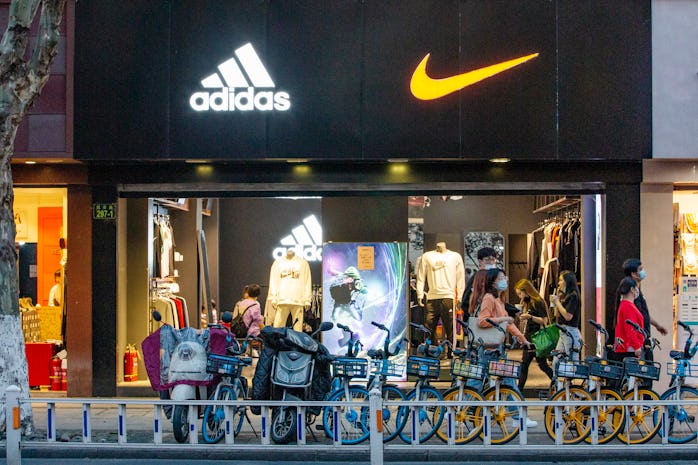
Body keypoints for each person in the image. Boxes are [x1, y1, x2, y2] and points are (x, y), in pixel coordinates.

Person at [469, 268, 537, 428]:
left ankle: (517, 417)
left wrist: (523, 339)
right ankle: (454, 409)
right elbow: (483, 321)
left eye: (504, 277)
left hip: (496, 349)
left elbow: (509, 325)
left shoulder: (498, 300)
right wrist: (504, 318)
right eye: (501, 277)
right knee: (498, 382)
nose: (505, 279)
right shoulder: (489, 298)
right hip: (489, 350)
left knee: (504, 382)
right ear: (493, 282)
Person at [416, 242, 465, 354]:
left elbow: (460, 277)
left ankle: (451, 352)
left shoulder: (455, 256)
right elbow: (421, 276)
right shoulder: (427, 256)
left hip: (448, 296)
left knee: (450, 327)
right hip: (432, 296)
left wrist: (460, 297)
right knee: (429, 326)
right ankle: (431, 351)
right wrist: (420, 294)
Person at [622, 258, 667, 361]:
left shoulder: (637, 292)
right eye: (640, 269)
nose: (643, 271)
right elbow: (630, 319)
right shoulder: (632, 293)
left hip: (642, 337)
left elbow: (642, 314)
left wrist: (657, 325)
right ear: (634, 274)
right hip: (638, 339)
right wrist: (636, 344)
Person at [514, 279, 554, 391]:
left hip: (535, 337)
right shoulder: (528, 302)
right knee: (533, 364)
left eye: (520, 293)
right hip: (530, 337)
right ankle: (519, 390)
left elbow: (544, 320)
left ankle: (519, 390)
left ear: (526, 291)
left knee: (531, 364)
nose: (520, 296)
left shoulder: (537, 301)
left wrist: (530, 317)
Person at [268, 249, 311, 331]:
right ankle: (276, 343)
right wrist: (273, 297)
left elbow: (307, 281)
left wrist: (307, 299)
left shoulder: (303, 263)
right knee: (278, 326)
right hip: (282, 299)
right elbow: (273, 280)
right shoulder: (278, 263)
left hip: (298, 299)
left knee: (298, 328)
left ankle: (297, 343)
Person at [549, 270, 582, 370]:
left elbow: (568, 316)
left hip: (570, 332)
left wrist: (557, 302)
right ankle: (558, 384)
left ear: (567, 281)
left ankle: (568, 384)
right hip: (564, 331)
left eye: (560, 280)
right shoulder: (566, 295)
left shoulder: (573, 296)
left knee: (570, 363)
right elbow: (557, 314)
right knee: (557, 361)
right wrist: (557, 301)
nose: (558, 283)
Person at [613, 277, 645, 359]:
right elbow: (630, 329)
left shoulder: (625, 305)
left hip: (628, 349)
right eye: (636, 287)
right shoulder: (628, 306)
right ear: (632, 289)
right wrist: (637, 346)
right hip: (629, 350)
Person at [461, 247, 497, 316]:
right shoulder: (477, 277)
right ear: (480, 261)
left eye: (493, 259)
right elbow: (466, 300)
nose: (491, 262)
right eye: (487, 260)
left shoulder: (493, 276)